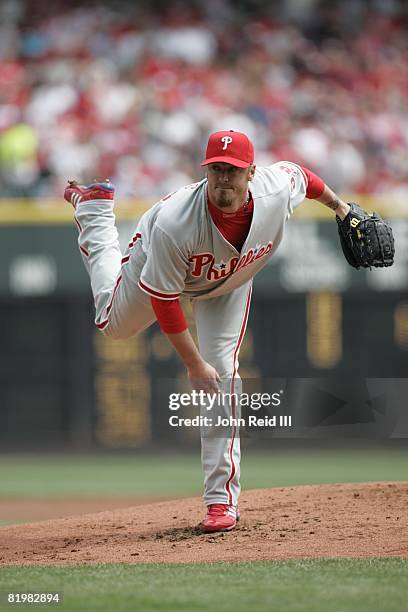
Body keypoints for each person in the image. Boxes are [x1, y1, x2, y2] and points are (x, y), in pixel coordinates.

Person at [64, 130, 350, 532]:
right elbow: (166, 301)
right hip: (163, 263)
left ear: (251, 173)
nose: (223, 179)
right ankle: (94, 213)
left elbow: (304, 176)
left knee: (224, 375)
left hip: (229, 283)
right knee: (113, 326)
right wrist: (192, 363)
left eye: (232, 171)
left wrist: (342, 209)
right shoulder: (174, 223)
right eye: (216, 169)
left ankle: (221, 503)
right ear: (206, 171)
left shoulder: (275, 190)